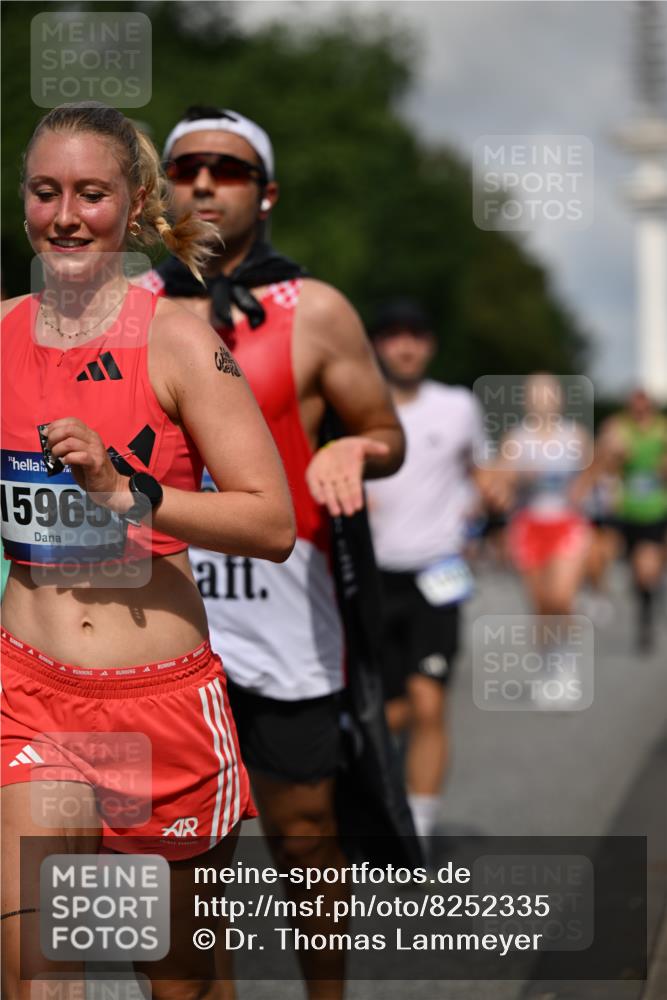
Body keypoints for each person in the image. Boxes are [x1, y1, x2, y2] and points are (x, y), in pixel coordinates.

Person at [1, 101, 295, 1000]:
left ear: (131, 208)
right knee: (34, 964)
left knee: (180, 979)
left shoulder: (176, 338)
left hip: (157, 705)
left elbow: (269, 521)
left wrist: (136, 492)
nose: (66, 215)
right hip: (31, 695)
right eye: (46, 192)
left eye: (91, 194)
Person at [139, 106, 405, 1000]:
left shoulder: (316, 309)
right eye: (184, 169)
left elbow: (384, 431)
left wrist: (351, 448)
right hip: (167, 616)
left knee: (302, 833)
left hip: (287, 616)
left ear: (268, 193)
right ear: (157, 192)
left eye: (229, 168)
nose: (204, 184)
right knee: (187, 854)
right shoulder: (121, 311)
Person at [364, 301, 489, 849]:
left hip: (438, 572)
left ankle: (418, 827)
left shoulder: (458, 406)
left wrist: (494, 489)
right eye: (393, 336)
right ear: (376, 345)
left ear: (430, 345)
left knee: (430, 700)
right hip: (371, 576)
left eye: (415, 336)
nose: (405, 347)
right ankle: (378, 783)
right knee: (386, 711)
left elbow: (480, 470)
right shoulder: (357, 406)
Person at [597, 389, 667, 651]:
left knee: (647, 571)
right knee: (619, 561)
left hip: (655, 509)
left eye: (644, 408)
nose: (639, 413)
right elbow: (603, 462)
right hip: (625, 509)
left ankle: (646, 618)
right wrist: (613, 454)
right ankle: (633, 594)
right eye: (634, 408)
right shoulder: (618, 428)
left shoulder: (662, 430)